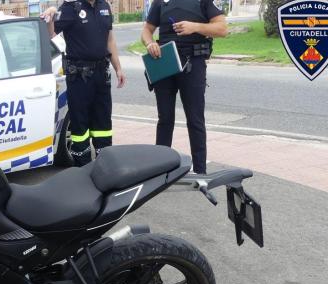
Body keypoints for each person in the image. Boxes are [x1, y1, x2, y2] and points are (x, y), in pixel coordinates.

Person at [141, 0, 227, 174]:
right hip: (165, 62)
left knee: (195, 120)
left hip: (193, 64)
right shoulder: (161, 2)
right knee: (165, 119)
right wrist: (150, 43)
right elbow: (147, 30)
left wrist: (195, 27)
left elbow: (222, 29)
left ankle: (200, 172)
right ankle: (161, 170)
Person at [42, 0, 126, 166]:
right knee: (80, 127)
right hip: (79, 78)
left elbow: (110, 40)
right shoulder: (70, 8)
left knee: (103, 126)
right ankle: (83, 169)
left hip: (102, 76)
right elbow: (50, 35)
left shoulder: (104, 6)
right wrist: (50, 15)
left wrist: (118, 68)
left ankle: (105, 166)